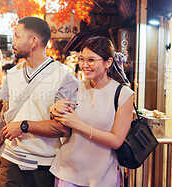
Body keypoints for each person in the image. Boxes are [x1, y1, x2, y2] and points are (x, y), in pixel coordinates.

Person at [0, 16, 78, 187]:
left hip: (44, 166)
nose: (13, 41)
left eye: (17, 36)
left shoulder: (64, 77)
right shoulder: (12, 74)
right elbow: (5, 115)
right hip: (10, 160)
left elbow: (63, 128)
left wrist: (23, 126)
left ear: (33, 40)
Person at [49, 36, 134, 187]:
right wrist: (53, 109)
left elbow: (116, 141)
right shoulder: (75, 87)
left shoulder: (123, 94)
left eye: (91, 60)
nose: (85, 65)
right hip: (67, 172)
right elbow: (61, 122)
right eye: (82, 59)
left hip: (103, 176)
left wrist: (78, 124)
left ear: (108, 62)